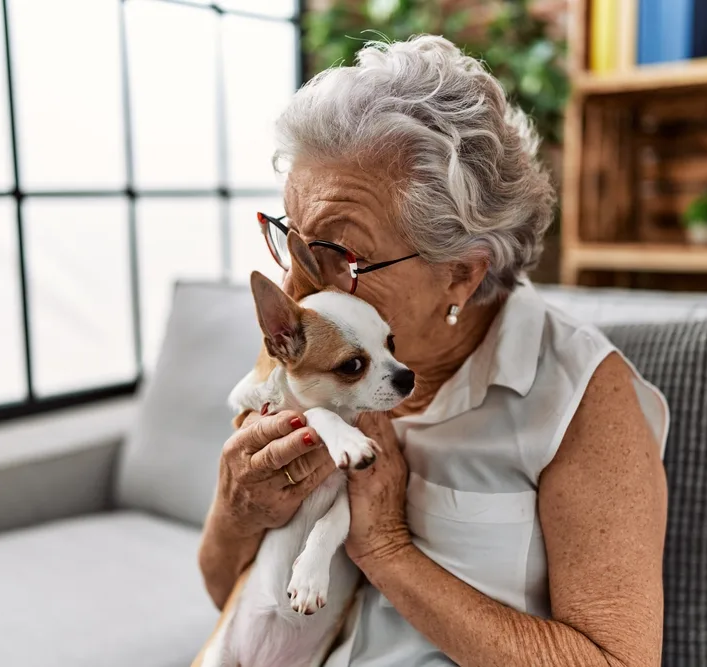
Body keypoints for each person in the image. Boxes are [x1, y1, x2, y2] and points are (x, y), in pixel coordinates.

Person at [199, 35, 669, 667]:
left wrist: (388, 549)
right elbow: (222, 590)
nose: (298, 286)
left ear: (460, 275)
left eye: (339, 256)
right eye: (293, 240)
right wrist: (235, 508)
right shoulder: (315, 334)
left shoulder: (578, 399)